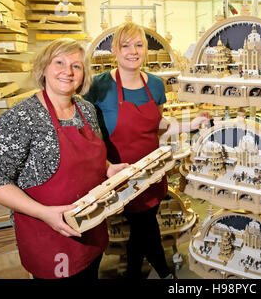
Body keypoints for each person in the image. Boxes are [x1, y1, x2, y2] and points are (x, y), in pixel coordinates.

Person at [0, 38, 128, 279]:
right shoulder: (21, 117)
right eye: (59, 62)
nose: (68, 71)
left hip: (90, 227)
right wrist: (44, 213)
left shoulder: (86, 110)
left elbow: (90, 158)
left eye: (76, 65)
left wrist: (108, 169)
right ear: (43, 68)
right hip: (49, 236)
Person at [84, 22, 209, 279]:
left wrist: (191, 124)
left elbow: (159, 126)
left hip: (151, 171)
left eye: (139, 45)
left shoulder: (154, 84)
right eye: (126, 45)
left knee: (143, 225)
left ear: (146, 50)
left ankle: (139, 273)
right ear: (114, 50)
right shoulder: (98, 85)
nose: (133, 51)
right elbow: (86, 131)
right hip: (119, 173)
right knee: (144, 226)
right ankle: (163, 272)